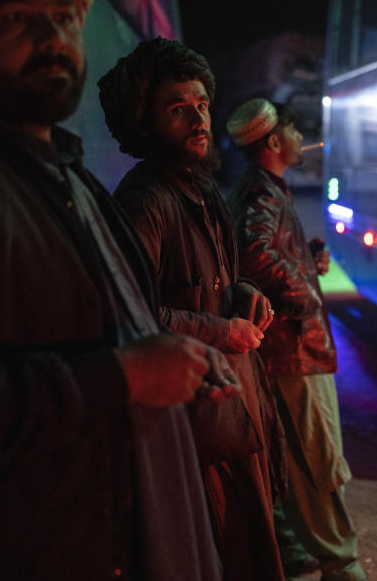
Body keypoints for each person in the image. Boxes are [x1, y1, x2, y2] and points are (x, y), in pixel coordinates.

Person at [0, 0, 231, 579]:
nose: (51, 38)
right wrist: (125, 376)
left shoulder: (63, 171)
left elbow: (108, 321)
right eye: (12, 20)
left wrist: (174, 355)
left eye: (65, 17)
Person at [99, 37, 286, 581]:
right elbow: (130, 314)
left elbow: (215, 277)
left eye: (201, 104)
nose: (197, 118)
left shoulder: (201, 190)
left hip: (233, 406)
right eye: (177, 109)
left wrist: (244, 291)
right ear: (144, 123)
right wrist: (220, 330)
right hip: (193, 424)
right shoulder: (145, 201)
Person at [227, 99, 367, 581]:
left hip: (293, 353)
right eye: (292, 129)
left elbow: (267, 252)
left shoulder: (265, 190)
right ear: (272, 142)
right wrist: (306, 291)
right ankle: (342, 566)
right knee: (317, 463)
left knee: (302, 460)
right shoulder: (261, 196)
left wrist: (305, 258)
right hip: (293, 354)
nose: (300, 138)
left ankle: (308, 557)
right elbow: (254, 253)